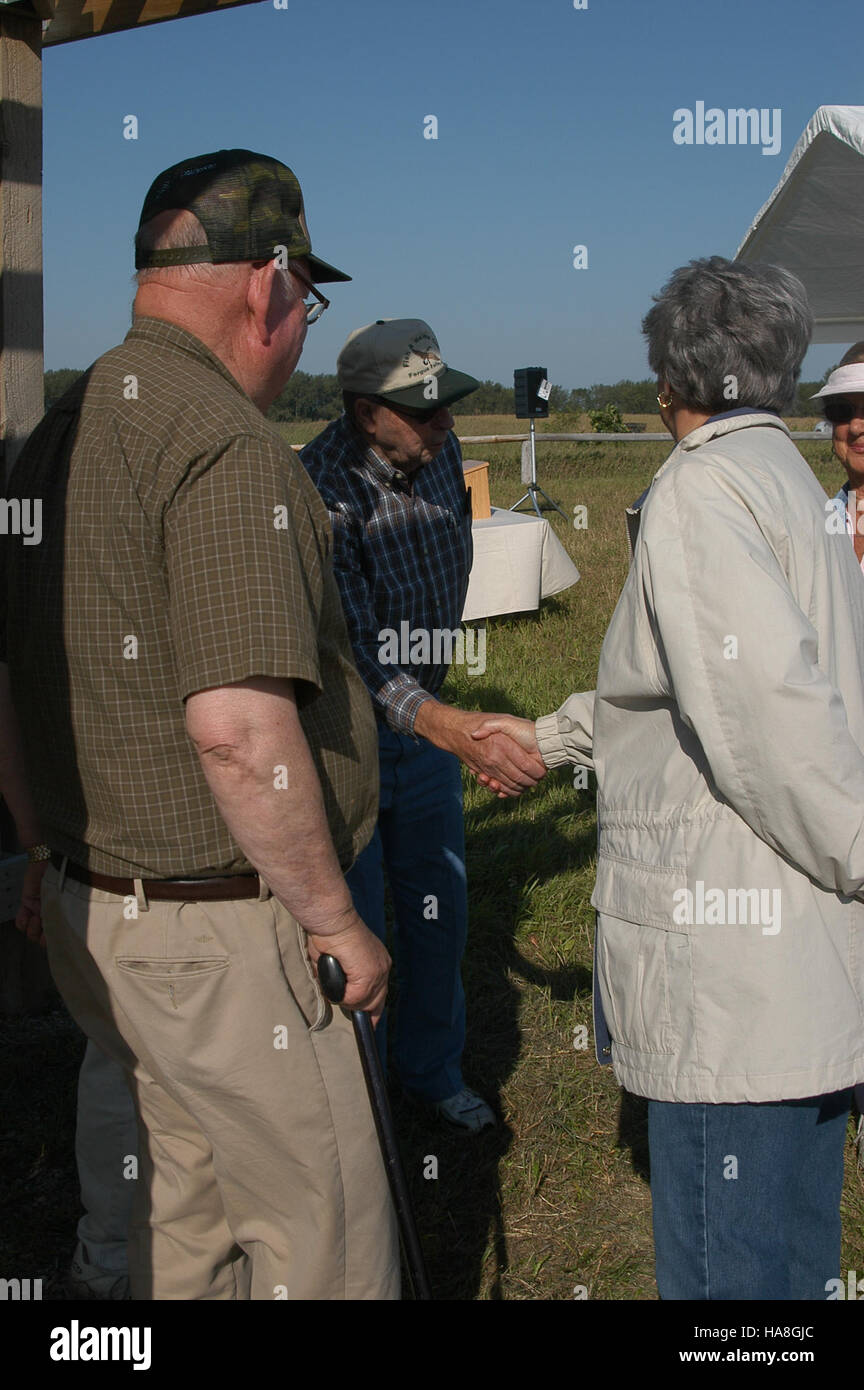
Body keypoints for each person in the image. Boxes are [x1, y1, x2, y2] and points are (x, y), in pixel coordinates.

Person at [1, 149, 399, 1300]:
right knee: (324, 1240)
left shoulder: (61, 431)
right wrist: (337, 921)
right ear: (268, 284)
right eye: (309, 305)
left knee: (182, 1232)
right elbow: (234, 726)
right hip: (223, 935)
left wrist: (37, 843)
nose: (304, 334)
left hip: (98, 917)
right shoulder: (222, 445)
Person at [475, 256, 864, 1299]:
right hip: (801, 971)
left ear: (666, 381)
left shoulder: (701, 491)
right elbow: (686, 694)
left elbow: (767, 724)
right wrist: (548, 737)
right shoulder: (795, 481)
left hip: (734, 982)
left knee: (731, 1281)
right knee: (794, 1258)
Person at [301, 319, 546, 1132]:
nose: (445, 428)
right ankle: (359, 1102)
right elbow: (354, 655)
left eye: (447, 407)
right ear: (367, 412)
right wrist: (448, 726)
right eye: (423, 412)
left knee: (440, 907)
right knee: (359, 930)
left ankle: (431, 1070)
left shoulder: (439, 454)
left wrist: (443, 726)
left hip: (428, 731)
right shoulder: (318, 495)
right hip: (349, 747)